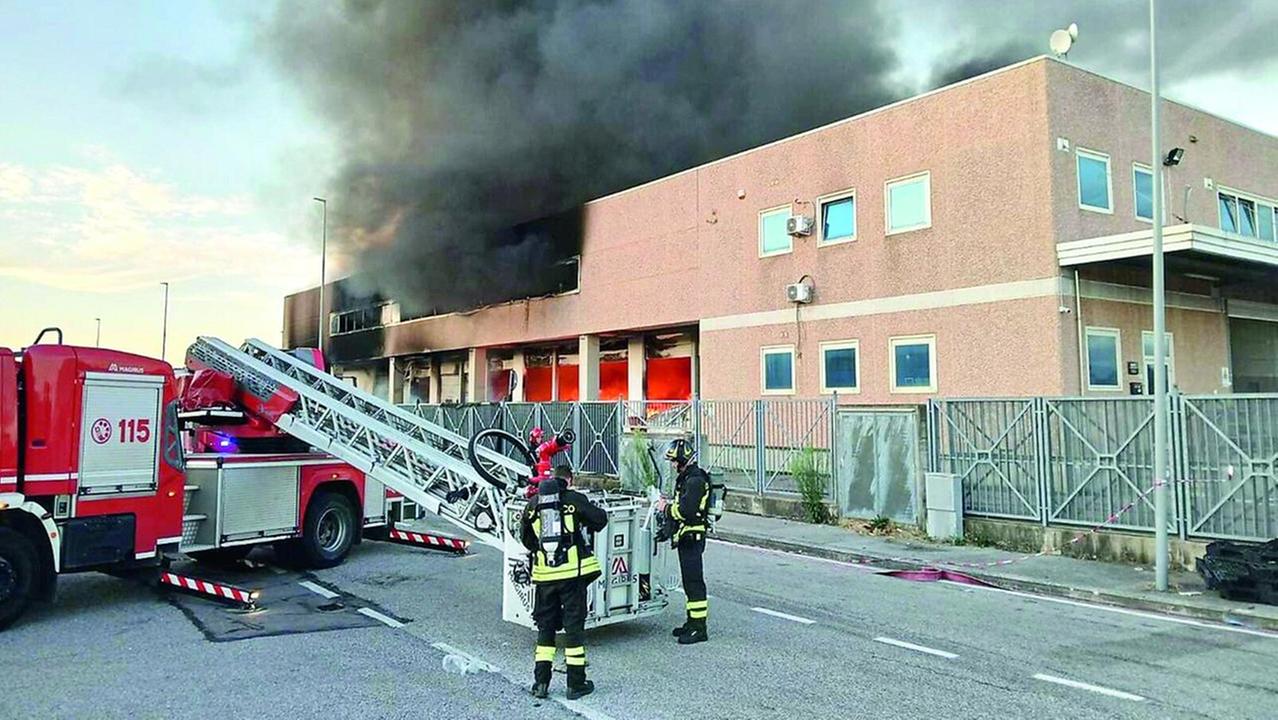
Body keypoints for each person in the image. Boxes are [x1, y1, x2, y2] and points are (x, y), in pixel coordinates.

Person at [520, 463, 607, 700]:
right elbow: (600, 521)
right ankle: (575, 684)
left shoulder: (533, 504)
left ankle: (540, 683)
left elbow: (526, 539)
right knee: (573, 629)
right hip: (571, 578)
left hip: (544, 578)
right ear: (569, 480)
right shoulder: (573, 499)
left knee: (545, 629)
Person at [664, 438, 710, 645]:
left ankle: (700, 629)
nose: (673, 465)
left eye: (674, 461)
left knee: (694, 583)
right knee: (689, 583)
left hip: (692, 536)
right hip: (685, 537)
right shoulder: (686, 478)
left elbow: (685, 510)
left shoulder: (695, 480)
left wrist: (664, 509)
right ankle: (692, 622)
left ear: (683, 459)